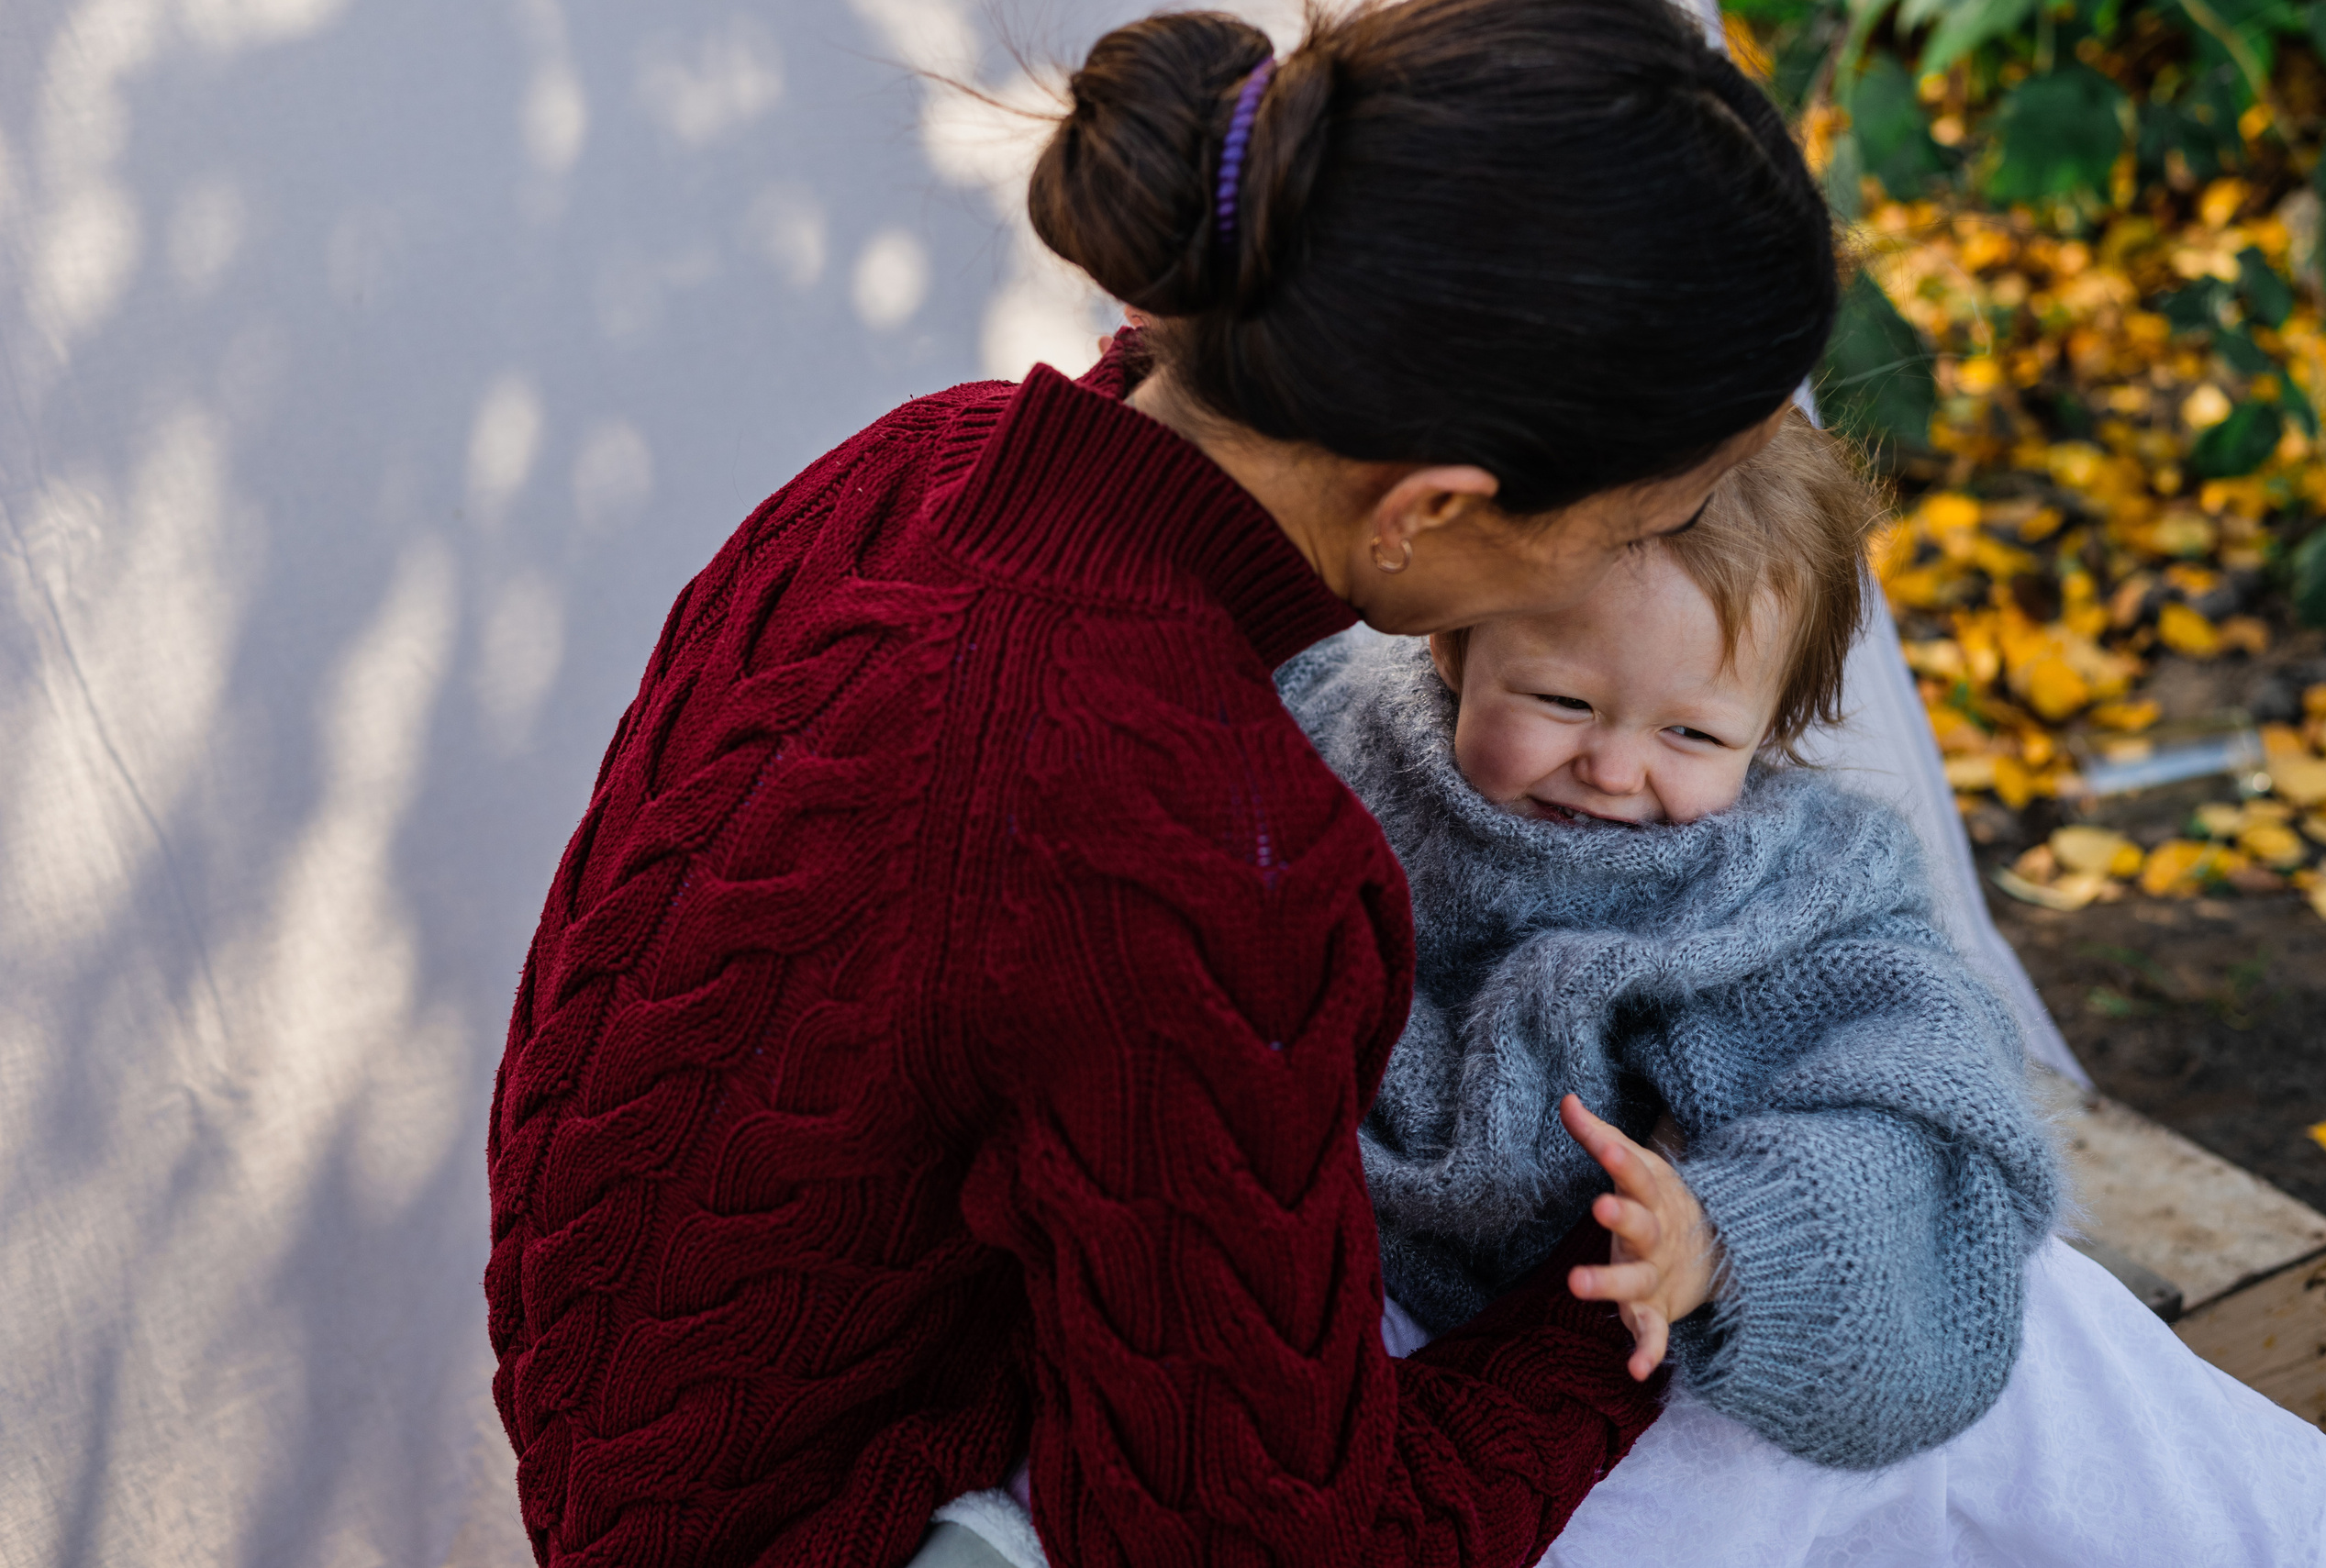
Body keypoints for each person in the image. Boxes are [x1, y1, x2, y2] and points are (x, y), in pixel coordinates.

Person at [482, 0, 1837, 1563]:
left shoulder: (900, 472)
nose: (1632, 558)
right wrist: (1649, 1260)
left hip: (633, 1462)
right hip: (877, 1526)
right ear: (1433, 505)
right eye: (1639, 519)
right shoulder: (1200, 834)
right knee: (1858, 1422)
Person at [1283, 413, 2064, 1471]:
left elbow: (1912, 1103)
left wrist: (1721, 1241)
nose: (1611, 768)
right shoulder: (1327, 733)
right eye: (1562, 700)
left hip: (1633, 1323)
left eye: (1690, 733)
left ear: (1775, 727)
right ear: (1453, 638)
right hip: (1330, 1278)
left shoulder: (1782, 890)